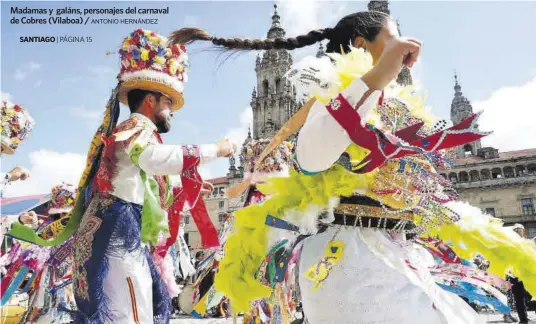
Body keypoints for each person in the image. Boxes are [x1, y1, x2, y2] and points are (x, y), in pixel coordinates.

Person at [168, 10, 536, 324]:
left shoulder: (388, 111)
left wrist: (513, 250)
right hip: (347, 262)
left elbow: (431, 201)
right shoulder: (323, 106)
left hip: (398, 256)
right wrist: (378, 76)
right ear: (360, 46)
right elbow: (312, 156)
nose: (406, 46)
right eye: (392, 40)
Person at [8, 29, 236, 324]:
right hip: (118, 229)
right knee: (130, 306)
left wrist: (183, 186)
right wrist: (215, 149)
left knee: (134, 302)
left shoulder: (132, 131)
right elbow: (154, 160)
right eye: (168, 102)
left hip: (120, 228)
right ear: (150, 101)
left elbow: (145, 181)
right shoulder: (135, 128)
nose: (172, 112)